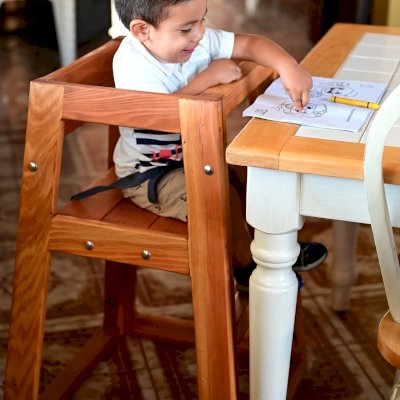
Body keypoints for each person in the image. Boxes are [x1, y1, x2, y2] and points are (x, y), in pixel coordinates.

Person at [110, 0, 328, 291]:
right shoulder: (133, 64)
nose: (199, 34)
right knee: (222, 196)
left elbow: (250, 45)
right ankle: (247, 270)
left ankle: (274, 252)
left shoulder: (192, 40)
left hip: (198, 158)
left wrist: (289, 66)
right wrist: (207, 79)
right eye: (187, 28)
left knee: (253, 178)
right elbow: (159, 119)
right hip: (150, 174)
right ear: (142, 31)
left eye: (202, 20)